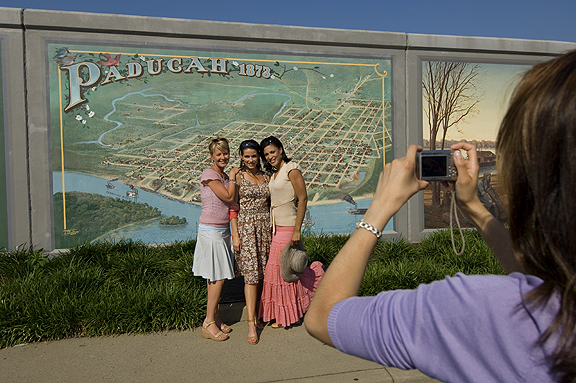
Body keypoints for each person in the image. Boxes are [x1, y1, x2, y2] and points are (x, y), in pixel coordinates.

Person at [305, 51, 576, 382]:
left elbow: (323, 318)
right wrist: (472, 206)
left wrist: (380, 208)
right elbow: (537, 284)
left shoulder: (475, 309)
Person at [258, 136, 324, 328]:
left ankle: (288, 314)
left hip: (288, 228)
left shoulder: (291, 168)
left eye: (272, 151)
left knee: (283, 271)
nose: (270, 156)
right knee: (279, 271)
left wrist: (297, 229)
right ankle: (279, 313)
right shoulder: (276, 173)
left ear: (280, 149)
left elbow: (303, 199)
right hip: (275, 227)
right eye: (266, 154)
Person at [192, 137, 238, 342]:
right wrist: (235, 179)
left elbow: (232, 204)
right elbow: (228, 198)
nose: (223, 157)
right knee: (217, 277)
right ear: (211, 156)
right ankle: (208, 322)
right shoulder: (209, 175)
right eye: (218, 154)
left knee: (216, 277)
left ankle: (216, 316)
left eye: (225, 153)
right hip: (211, 231)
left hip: (221, 230)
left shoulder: (224, 175)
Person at [229, 139, 271, 345]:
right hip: (246, 228)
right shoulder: (237, 176)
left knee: (264, 274)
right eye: (246, 156)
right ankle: (251, 324)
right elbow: (233, 207)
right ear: (241, 157)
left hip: (265, 228)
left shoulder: (266, 177)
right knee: (251, 277)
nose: (251, 160)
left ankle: (262, 315)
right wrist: (235, 234)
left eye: (254, 156)